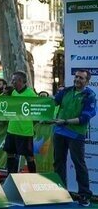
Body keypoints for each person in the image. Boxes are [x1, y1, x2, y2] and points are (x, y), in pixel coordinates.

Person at [53, 69, 96, 207]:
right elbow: (52, 102)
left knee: (79, 164)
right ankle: (61, 193)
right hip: (59, 132)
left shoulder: (90, 95)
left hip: (76, 135)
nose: (77, 79)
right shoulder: (66, 91)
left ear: (87, 81)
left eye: (81, 78)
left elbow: (84, 118)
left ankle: (84, 195)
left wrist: (65, 121)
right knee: (58, 163)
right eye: (76, 77)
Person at [4, 70, 37, 174]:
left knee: (29, 156)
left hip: (24, 131)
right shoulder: (13, 93)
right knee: (10, 153)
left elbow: (36, 111)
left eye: (14, 80)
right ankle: (10, 176)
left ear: (20, 81)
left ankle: (33, 178)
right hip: (12, 129)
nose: (12, 82)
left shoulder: (31, 94)